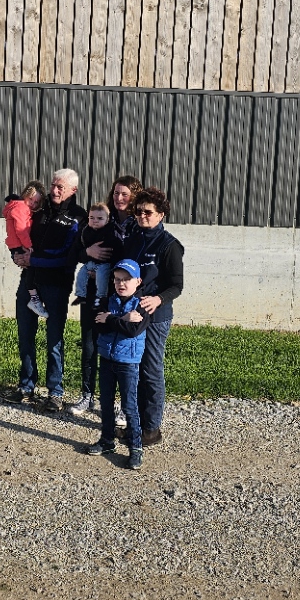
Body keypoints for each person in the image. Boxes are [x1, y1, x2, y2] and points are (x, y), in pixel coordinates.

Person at [12, 168, 86, 411]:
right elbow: (18, 232)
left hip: (56, 285)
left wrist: (34, 261)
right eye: (53, 185)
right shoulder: (39, 210)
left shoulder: (78, 217)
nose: (54, 190)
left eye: (60, 187)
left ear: (73, 190)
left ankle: (55, 392)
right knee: (25, 335)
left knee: (54, 339)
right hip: (29, 281)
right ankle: (26, 385)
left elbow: (68, 258)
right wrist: (17, 255)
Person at [70, 176, 141, 419]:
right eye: (116, 194)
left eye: (125, 194)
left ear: (133, 197)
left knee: (120, 350)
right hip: (94, 294)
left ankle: (122, 403)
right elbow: (76, 250)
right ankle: (87, 394)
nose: (119, 198)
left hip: (121, 296)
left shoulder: (137, 224)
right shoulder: (97, 218)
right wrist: (87, 252)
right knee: (89, 345)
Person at [122, 187, 184, 446]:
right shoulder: (134, 238)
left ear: (161, 215)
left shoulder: (169, 245)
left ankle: (152, 428)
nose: (142, 216)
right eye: (138, 212)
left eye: (148, 212)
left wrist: (158, 298)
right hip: (133, 312)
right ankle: (136, 423)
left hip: (156, 316)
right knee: (133, 368)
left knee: (151, 370)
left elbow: (176, 286)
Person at [85, 259, 155, 470]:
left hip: (128, 363)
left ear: (138, 281)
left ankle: (135, 447)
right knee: (106, 403)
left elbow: (133, 331)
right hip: (107, 359)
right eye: (117, 279)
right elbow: (97, 325)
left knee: (129, 406)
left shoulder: (142, 306)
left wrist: (111, 319)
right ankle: (107, 441)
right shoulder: (107, 301)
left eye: (127, 279)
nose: (121, 284)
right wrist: (122, 317)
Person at [2, 180, 48, 319]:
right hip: (20, 244)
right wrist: (28, 246)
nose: (33, 204)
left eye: (36, 202)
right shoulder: (21, 208)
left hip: (17, 244)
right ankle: (34, 299)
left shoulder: (20, 207)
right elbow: (21, 230)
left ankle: (34, 298)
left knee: (30, 270)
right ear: (24, 195)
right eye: (31, 200)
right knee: (31, 270)